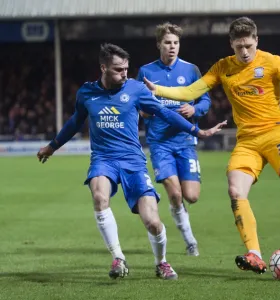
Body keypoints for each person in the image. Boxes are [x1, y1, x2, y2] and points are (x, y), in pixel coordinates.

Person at [37, 43, 226, 280]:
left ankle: (162, 263)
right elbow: (75, 122)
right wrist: (52, 147)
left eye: (126, 68)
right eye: (118, 69)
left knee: (154, 223)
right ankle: (118, 258)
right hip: (103, 159)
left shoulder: (136, 90)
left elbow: (164, 113)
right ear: (103, 68)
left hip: (133, 162)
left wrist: (197, 131)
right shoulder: (86, 93)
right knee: (99, 196)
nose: (125, 73)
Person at [144, 16, 280, 275]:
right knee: (235, 190)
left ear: (256, 41)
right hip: (247, 141)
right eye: (239, 47)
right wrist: (158, 90)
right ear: (231, 44)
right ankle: (254, 254)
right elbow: (191, 92)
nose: (245, 52)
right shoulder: (222, 67)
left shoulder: (271, 62)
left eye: (249, 46)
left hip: (276, 134)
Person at [137, 22, 211, 256]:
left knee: (191, 196)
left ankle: (180, 211)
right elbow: (137, 103)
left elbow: (206, 101)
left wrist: (195, 110)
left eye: (176, 43)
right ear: (159, 44)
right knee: (175, 193)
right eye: (168, 43)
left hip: (186, 141)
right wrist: (144, 111)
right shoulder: (146, 72)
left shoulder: (191, 71)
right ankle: (190, 241)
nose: (172, 47)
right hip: (160, 144)